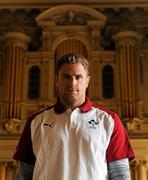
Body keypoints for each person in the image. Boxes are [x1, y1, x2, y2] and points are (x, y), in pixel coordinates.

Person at [13, 53, 135, 180]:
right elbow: (24, 175)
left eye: (78, 77)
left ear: (87, 81)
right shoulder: (36, 122)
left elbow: (120, 174)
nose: (72, 83)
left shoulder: (109, 120)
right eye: (66, 77)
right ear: (56, 80)